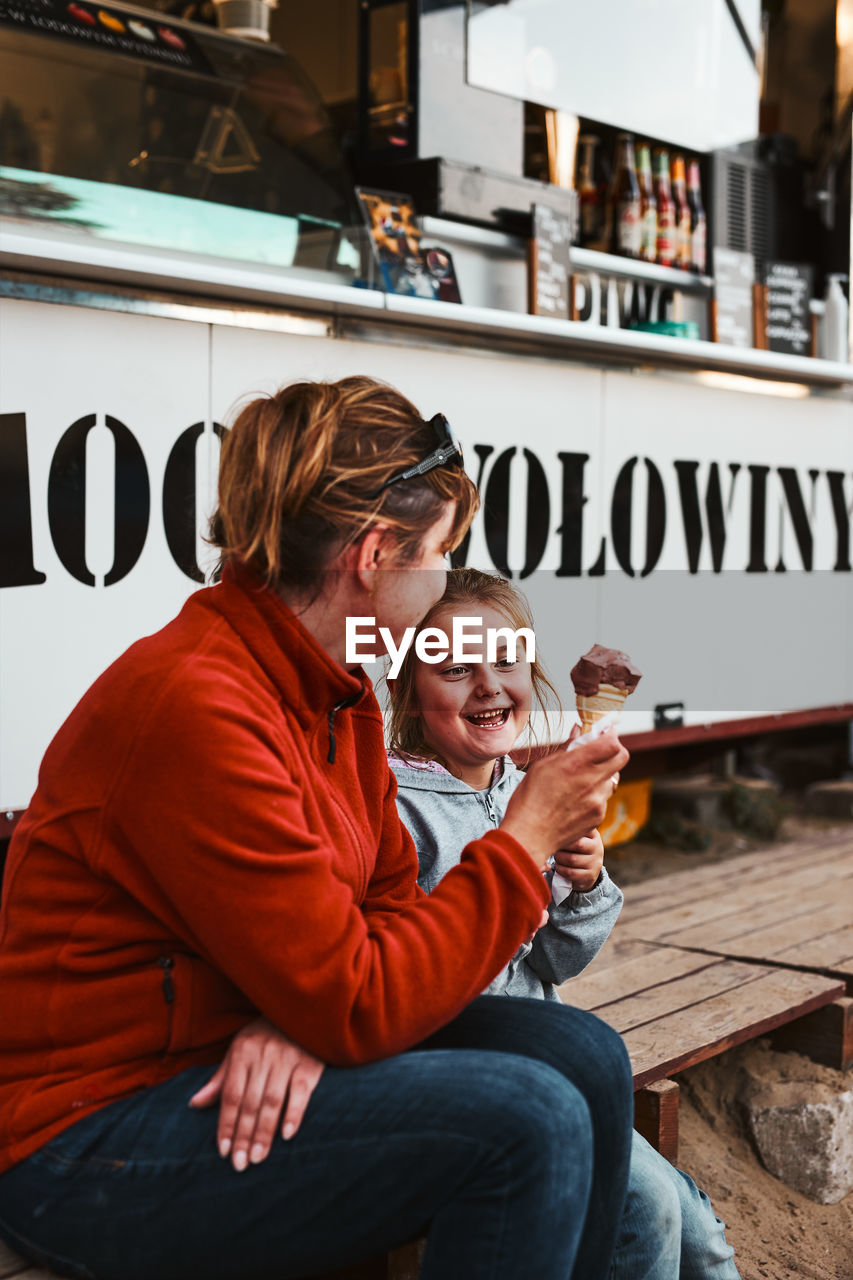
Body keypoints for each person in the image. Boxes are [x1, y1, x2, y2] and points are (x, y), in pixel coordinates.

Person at [0, 377, 634, 1280]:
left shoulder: (336, 692)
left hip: (227, 1060)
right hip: (84, 1139)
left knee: (584, 1056)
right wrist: (523, 839)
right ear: (375, 554)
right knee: (524, 1120)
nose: (444, 579)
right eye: (439, 554)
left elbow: (377, 913)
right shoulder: (198, 704)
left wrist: (294, 1020)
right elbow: (359, 998)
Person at [387, 566, 742, 1280]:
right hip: (470, 1074)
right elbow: (421, 967)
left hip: (557, 1065)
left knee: (700, 1236)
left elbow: (557, 962)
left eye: (507, 661)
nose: (487, 684)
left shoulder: (528, 786)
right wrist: (512, 868)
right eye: (455, 667)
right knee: (648, 1215)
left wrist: (581, 885)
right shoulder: (397, 807)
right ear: (407, 690)